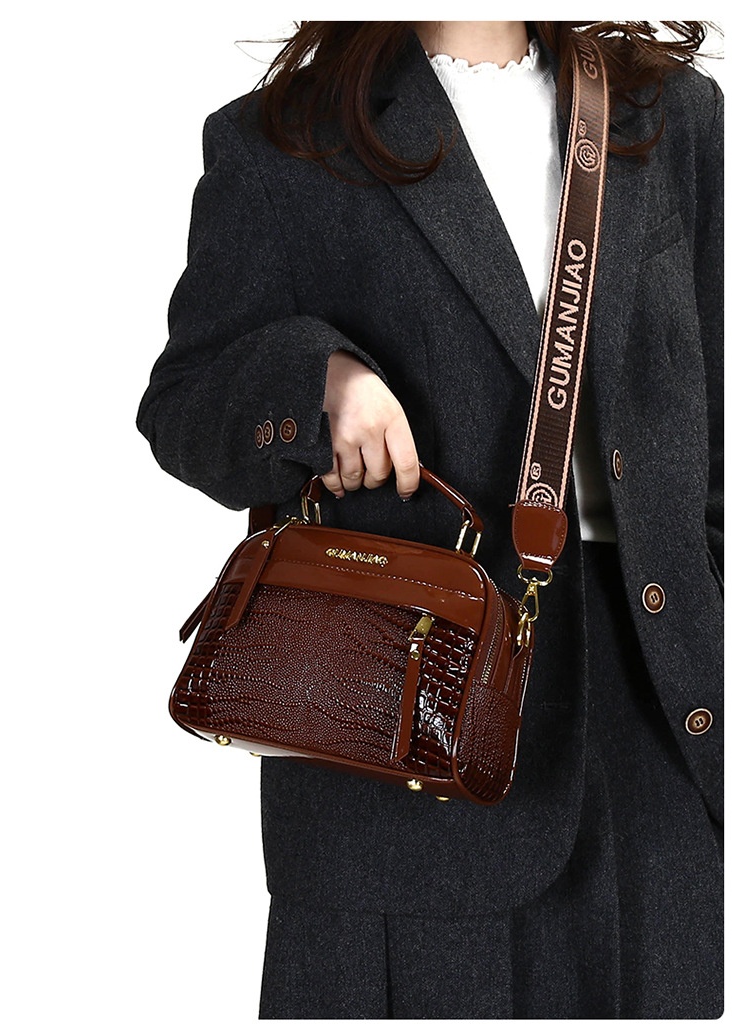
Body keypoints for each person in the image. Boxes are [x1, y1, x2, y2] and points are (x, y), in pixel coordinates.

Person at [136, 20, 723, 1019]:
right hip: (405, 752)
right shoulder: (282, 143)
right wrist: (317, 385)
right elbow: (184, 408)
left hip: (662, 730)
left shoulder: (669, 115)